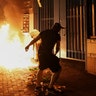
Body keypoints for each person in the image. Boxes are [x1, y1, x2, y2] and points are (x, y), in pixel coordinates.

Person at [25, 22, 64, 91]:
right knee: (58, 70)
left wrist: (28, 45)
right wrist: (54, 54)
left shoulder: (44, 32)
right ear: (58, 29)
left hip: (41, 54)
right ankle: (50, 87)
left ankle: (37, 86)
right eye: (59, 29)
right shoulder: (57, 36)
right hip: (48, 54)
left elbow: (35, 40)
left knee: (41, 69)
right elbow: (57, 47)